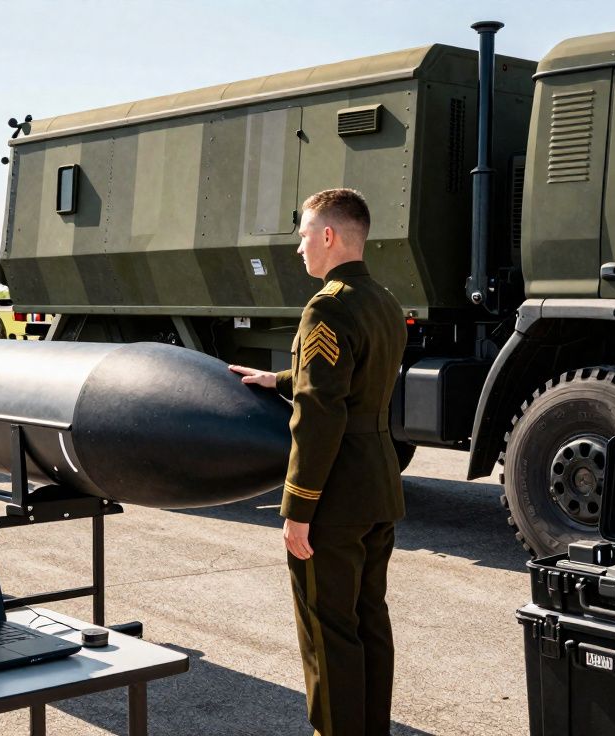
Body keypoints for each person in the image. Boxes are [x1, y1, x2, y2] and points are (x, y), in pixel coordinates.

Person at [229, 189, 406, 736]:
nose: (298, 246)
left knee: (328, 631)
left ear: (328, 236)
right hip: (378, 487)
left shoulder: (326, 305)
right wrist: (277, 378)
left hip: (334, 496)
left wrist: (297, 507)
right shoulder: (383, 301)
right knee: (369, 620)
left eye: (303, 234)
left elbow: (320, 412)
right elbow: (348, 379)